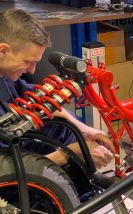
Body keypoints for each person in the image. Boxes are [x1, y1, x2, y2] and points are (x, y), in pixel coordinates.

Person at [0, 8, 115, 169]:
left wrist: (84, 130)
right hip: (10, 175)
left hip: (16, 147)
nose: (32, 70)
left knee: (63, 127)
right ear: (3, 51)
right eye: (28, 61)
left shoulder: (5, 76)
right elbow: (6, 172)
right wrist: (70, 153)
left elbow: (39, 100)